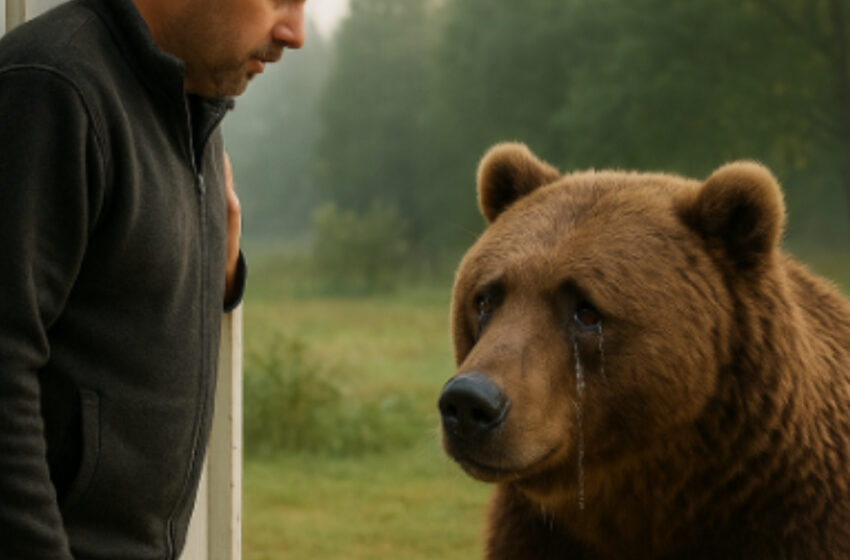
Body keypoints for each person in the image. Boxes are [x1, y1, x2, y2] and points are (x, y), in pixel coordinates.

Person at [0, 0, 305, 557]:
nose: (296, 33)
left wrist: (221, 269)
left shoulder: (191, 102)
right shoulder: (50, 87)